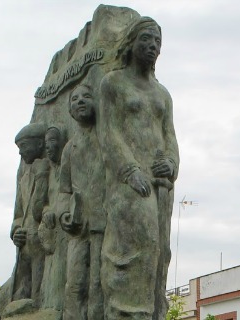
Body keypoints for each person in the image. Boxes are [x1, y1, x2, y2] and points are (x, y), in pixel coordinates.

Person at [98, 16, 179, 320]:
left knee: (159, 253)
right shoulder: (113, 84)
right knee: (130, 251)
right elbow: (108, 134)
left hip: (160, 186)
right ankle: (124, 313)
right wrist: (130, 170)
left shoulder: (162, 94)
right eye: (146, 39)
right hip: (128, 183)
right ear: (131, 43)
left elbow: (170, 136)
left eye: (157, 41)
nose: (153, 46)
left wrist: (171, 162)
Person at [58, 84, 106, 320]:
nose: (80, 101)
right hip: (77, 227)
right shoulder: (69, 148)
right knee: (75, 284)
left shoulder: (106, 140)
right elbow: (63, 190)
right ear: (70, 111)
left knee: (98, 285)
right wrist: (64, 214)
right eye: (74, 99)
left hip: (103, 223)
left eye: (86, 97)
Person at [10, 123, 50, 304]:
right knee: (19, 293)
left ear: (39, 144)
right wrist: (15, 230)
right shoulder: (23, 178)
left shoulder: (51, 169)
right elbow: (19, 213)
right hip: (24, 243)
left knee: (39, 293)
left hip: (42, 241)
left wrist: (42, 175)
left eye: (24, 146)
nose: (20, 153)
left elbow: (40, 208)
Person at [38, 126, 68, 311]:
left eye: (53, 141)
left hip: (66, 229)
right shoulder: (49, 172)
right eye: (47, 142)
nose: (49, 147)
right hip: (51, 232)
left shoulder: (69, 165)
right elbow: (44, 202)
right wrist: (47, 210)